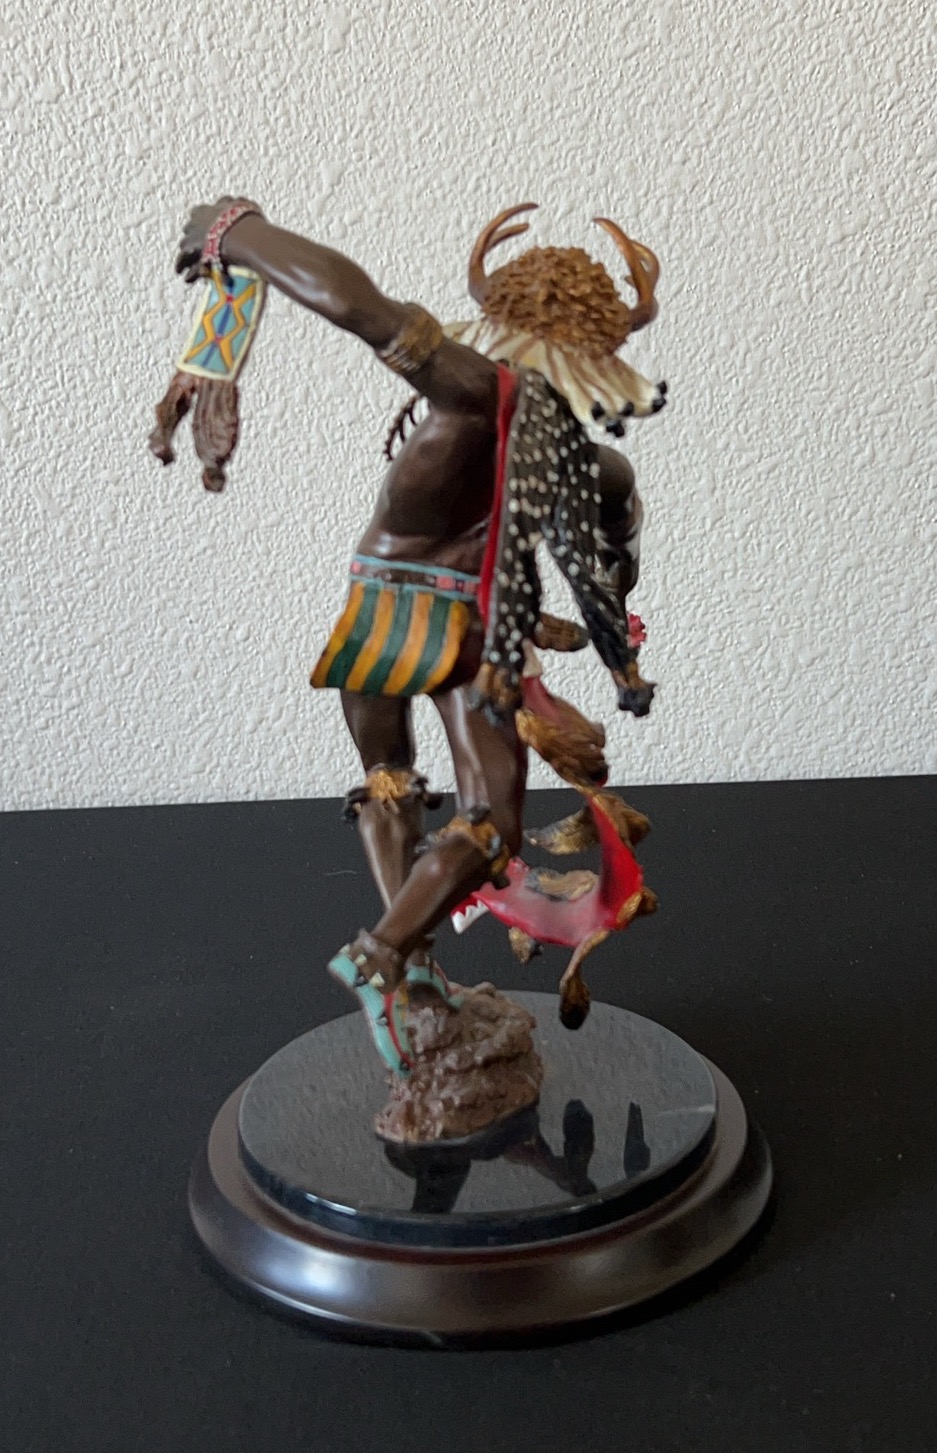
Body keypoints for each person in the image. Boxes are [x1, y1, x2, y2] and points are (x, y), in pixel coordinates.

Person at [174, 199, 665, 1073]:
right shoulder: (556, 441)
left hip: (375, 615)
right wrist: (236, 234)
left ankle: (414, 973)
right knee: (487, 826)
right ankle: (381, 958)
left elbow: (358, 303)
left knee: (388, 781)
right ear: (596, 357)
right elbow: (617, 541)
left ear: (498, 319)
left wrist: (237, 234)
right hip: (460, 633)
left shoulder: (484, 393)